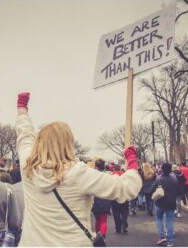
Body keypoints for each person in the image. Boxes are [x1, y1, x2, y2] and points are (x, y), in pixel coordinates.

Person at [15, 92, 142, 246]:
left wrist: (22, 109)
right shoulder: (77, 173)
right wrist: (131, 159)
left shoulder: (28, 168)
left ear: (39, 142)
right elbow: (127, 188)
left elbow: (25, 135)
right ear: (68, 143)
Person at [151, 163, 179, 247]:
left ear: (162, 169)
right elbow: (177, 191)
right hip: (171, 202)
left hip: (160, 202)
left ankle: (161, 236)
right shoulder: (174, 178)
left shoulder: (159, 178)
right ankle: (170, 241)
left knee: (159, 219)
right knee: (169, 221)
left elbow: (152, 189)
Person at [91, 159, 111, 238]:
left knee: (97, 220)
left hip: (95, 199)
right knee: (103, 220)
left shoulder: (93, 176)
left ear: (96, 166)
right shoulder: (107, 176)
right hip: (105, 199)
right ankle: (102, 238)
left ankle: (97, 236)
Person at [110, 164, 130, 234]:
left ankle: (118, 228)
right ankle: (124, 224)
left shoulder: (111, 176)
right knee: (125, 212)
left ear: (114, 169)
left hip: (115, 198)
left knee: (116, 214)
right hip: (124, 196)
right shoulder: (124, 176)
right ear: (120, 169)